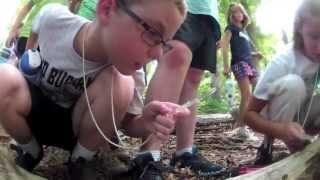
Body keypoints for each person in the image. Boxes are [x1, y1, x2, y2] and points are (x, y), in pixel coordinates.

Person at [0, 1, 191, 180]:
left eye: (163, 43)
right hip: (33, 116)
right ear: (107, 9)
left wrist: (147, 122)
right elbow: (38, 23)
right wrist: (30, 54)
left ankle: (80, 160)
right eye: (153, 33)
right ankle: (30, 149)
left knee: (123, 82)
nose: (158, 55)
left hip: (75, 130)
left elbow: (128, 125)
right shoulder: (55, 19)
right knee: (3, 75)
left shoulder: (131, 73)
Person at [129, 0, 225, 178]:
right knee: (176, 55)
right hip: (182, 5)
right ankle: (148, 155)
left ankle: (185, 153)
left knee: (194, 75)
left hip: (209, 12)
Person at [245, 0, 320, 165]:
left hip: (303, 113)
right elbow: (249, 115)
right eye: (314, 37)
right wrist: (280, 129)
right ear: (300, 29)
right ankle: (275, 145)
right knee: (294, 85)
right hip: (274, 115)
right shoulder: (284, 62)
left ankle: (307, 144)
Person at [221, 3, 262, 140]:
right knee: (247, 94)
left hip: (249, 63)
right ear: (231, 16)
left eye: (240, 12)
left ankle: (245, 119)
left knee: (259, 90)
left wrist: (255, 54)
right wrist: (226, 66)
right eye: (235, 12)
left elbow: (244, 49)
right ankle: (242, 128)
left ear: (244, 14)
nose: (238, 14)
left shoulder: (244, 31)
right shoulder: (230, 28)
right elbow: (225, 46)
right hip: (239, 63)